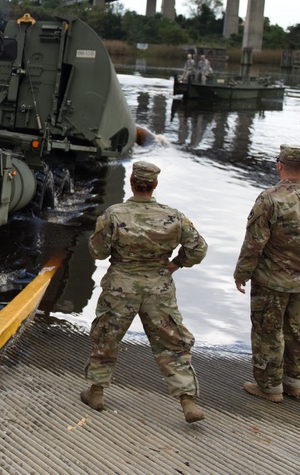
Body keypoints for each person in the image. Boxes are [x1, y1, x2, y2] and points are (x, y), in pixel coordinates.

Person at [81, 160, 208, 424]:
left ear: (131, 183)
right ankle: (187, 401)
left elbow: (98, 251)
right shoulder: (173, 216)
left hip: (121, 286)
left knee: (107, 337)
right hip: (158, 287)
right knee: (171, 342)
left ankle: (96, 392)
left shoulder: (114, 214)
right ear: (155, 185)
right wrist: (175, 263)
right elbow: (198, 248)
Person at [234, 144, 300, 403]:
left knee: (268, 331)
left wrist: (242, 272)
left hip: (271, 280)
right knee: (294, 330)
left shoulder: (269, 199)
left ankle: (270, 387)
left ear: (279, 165)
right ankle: (296, 383)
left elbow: (254, 242)